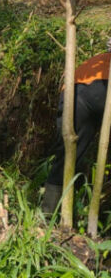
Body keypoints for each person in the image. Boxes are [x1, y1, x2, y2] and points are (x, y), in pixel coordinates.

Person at [42, 38, 111, 214]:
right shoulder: (100, 63)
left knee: (68, 155)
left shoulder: (97, 61)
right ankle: (53, 214)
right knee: (68, 156)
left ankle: (50, 214)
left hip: (75, 93)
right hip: (85, 91)